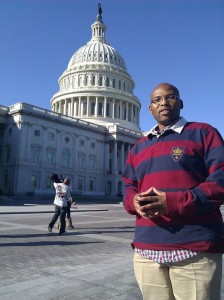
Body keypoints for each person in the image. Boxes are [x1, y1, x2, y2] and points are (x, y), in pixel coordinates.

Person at [122, 82, 224, 300]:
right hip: (147, 250)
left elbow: (220, 180)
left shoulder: (204, 133)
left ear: (181, 103)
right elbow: (128, 185)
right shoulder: (138, 147)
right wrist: (134, 201)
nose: (163, 103)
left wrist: (173, 202)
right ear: (149, 109)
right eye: (156, 100)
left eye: (171, 97)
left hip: (195, 250)